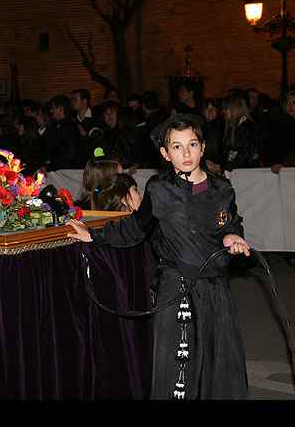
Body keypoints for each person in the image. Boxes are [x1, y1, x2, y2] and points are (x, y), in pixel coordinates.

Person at [66, 113, 250, 400]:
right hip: (176, 288)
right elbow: (136, 227)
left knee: (216, 360)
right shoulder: (159, 190)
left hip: (214, 290)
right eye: (176, 147)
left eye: (191, 144)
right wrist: (95, 236)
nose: (186, 153)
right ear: (165, 154)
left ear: (203, 146)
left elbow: (230, 222)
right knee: (179, 364)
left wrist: (231, 235)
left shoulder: (222, 189)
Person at [206, 91, 261, 174]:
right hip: (234, 172)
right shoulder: (230, 126)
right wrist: (216, 164)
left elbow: (247, 154)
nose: (223, 111)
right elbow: (226, 152)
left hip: (246, 173)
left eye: (225, 108)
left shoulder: (249, 127)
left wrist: (223, 166)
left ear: (234, 108)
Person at [39, 95, 80, 174]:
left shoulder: (71, 127)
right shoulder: (53, 125)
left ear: (61, 109)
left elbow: (69, 153)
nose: (51, 111)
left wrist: (50, 166)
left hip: (65, 170)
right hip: (53, 167)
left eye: (53, 108)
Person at [265, 90, 295, 166]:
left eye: (294, 103)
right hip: (281, 165)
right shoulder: (278, 123)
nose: (290, 106)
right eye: (288, 103)